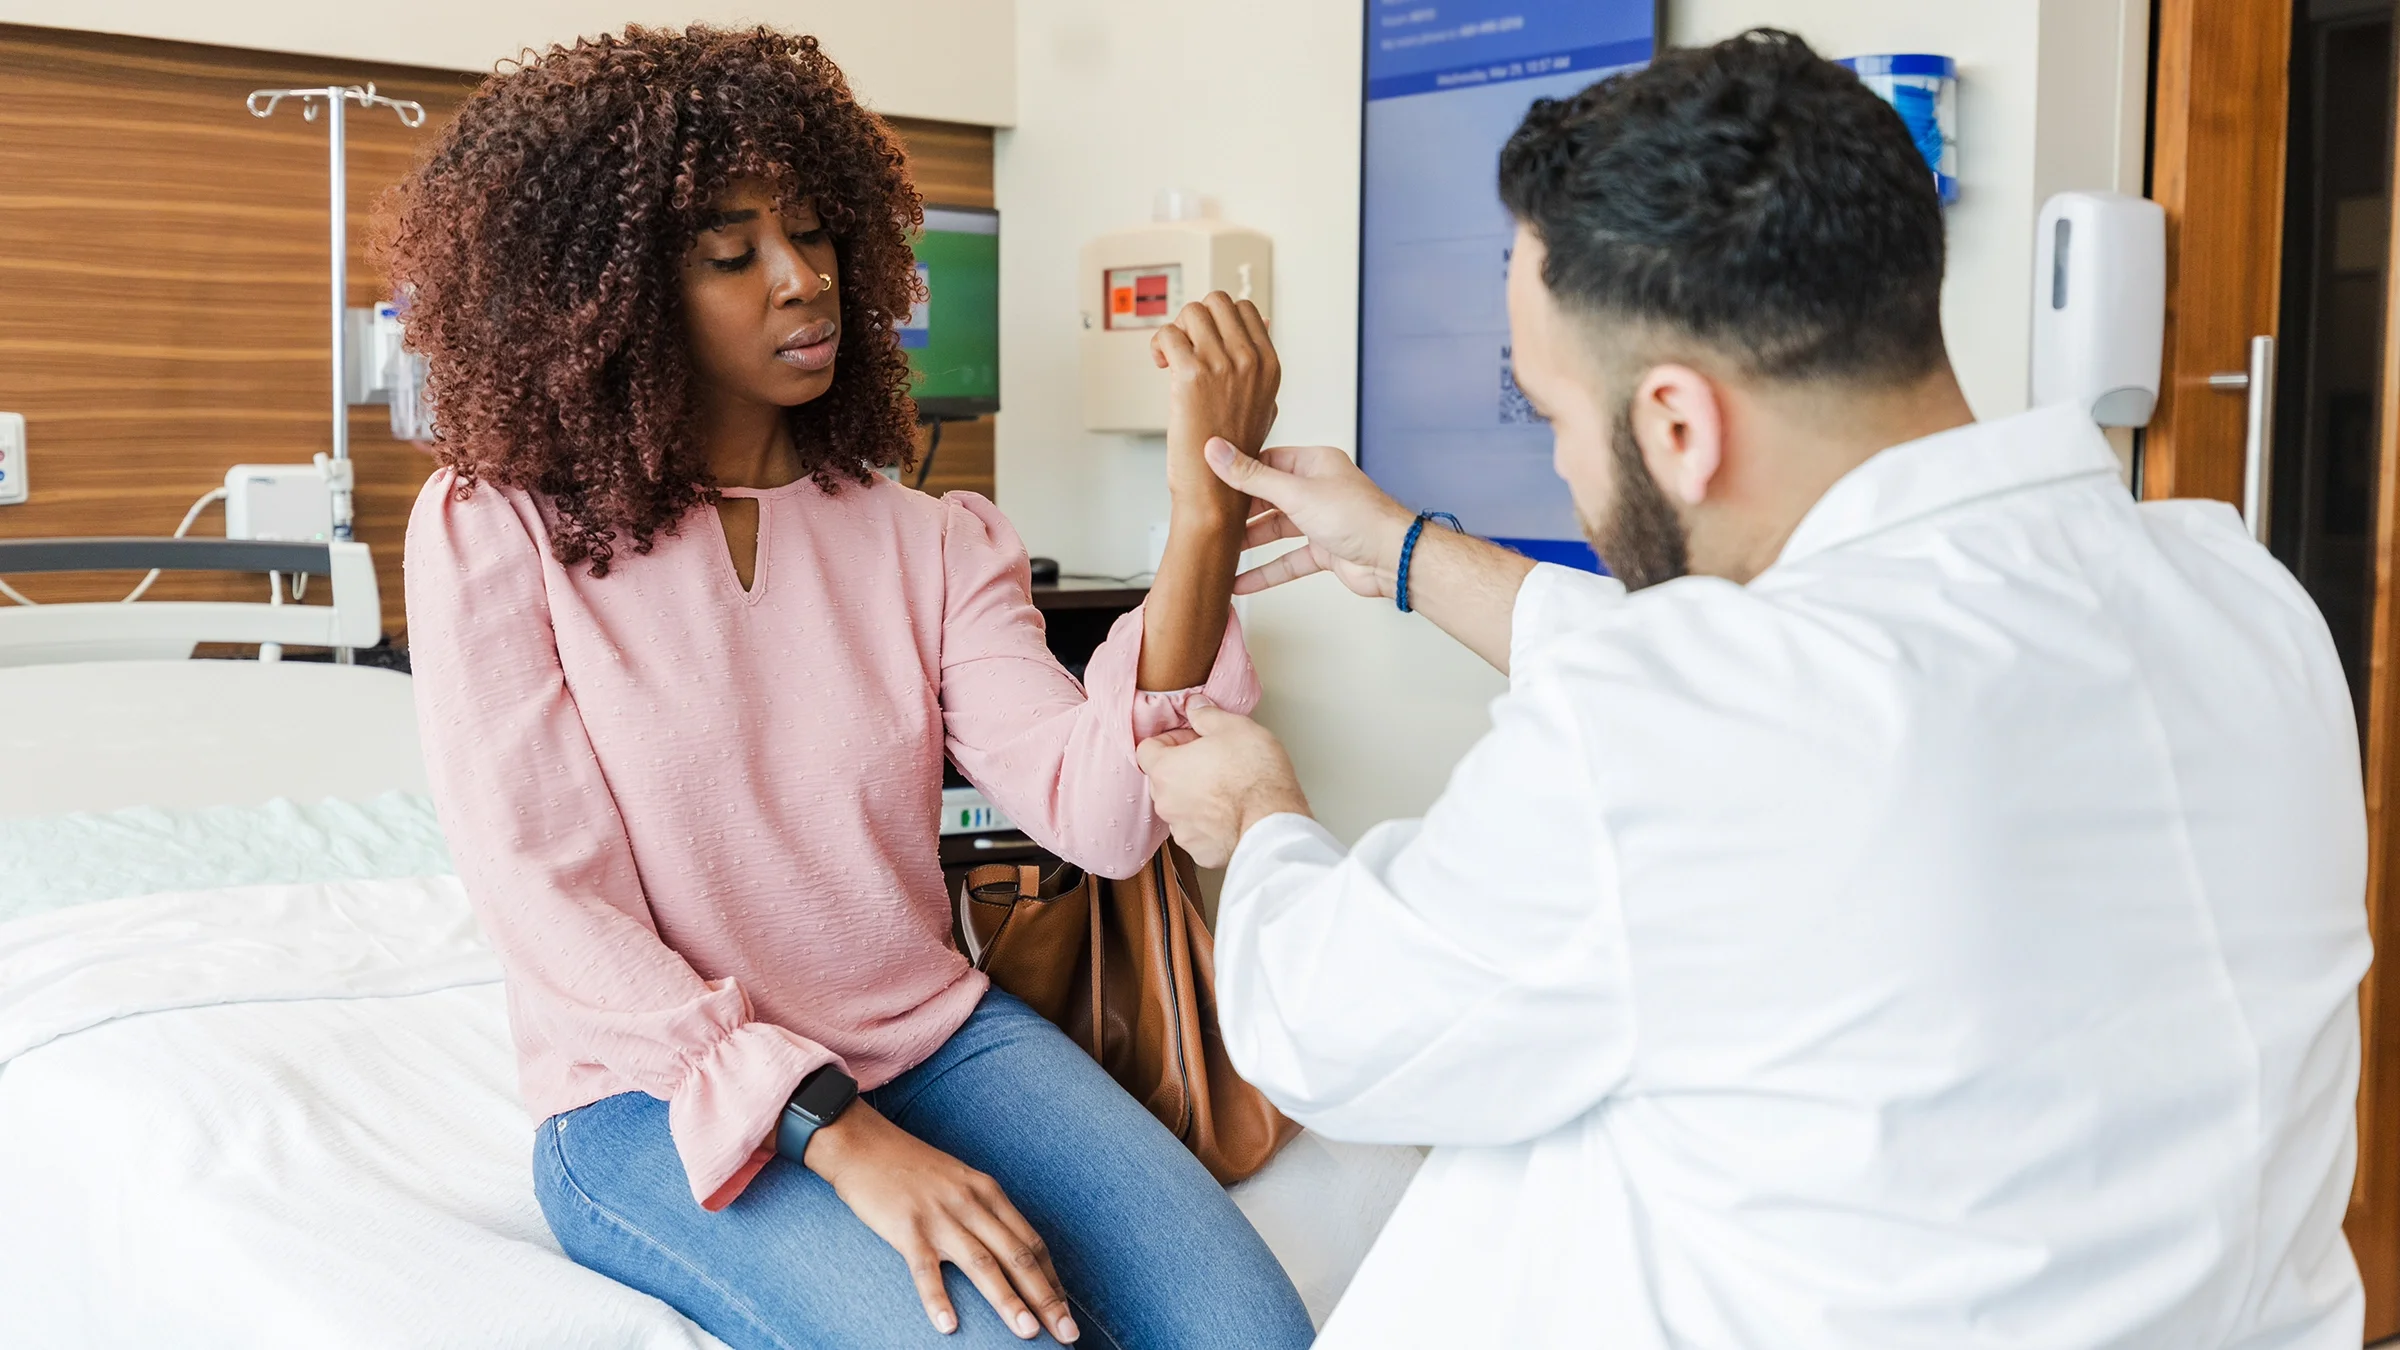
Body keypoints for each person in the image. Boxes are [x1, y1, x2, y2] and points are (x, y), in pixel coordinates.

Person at [1136, 29, 2371, 1349]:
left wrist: (1263, 815)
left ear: (1676, 425)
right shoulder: (2243, 595)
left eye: (1553, 416)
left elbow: (1323, 1025)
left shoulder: (1688, 722)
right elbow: (1808, 684)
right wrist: (1406, 553)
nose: (1562, 463)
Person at [386, 26, 1315, 1350]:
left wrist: (1201, 518)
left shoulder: (924, 538)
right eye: (732, 253)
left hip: (933, 1034)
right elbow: (553, 899)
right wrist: (839, 1132)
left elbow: (1096, 812)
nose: (801, 279)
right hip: (654, 1096)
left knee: (1253, 1336)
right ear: (617, 291)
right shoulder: (496, 527)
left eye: (816, 236)